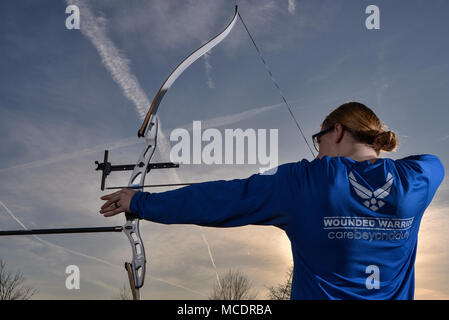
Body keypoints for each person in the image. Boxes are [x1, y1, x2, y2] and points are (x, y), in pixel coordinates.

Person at [99, 102, 444, 299]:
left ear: (336, 131)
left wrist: (141, 203)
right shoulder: (417, 179)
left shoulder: (304, 180)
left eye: (318, 139)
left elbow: (223, 198)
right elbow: (432, 164)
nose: (318, 150)